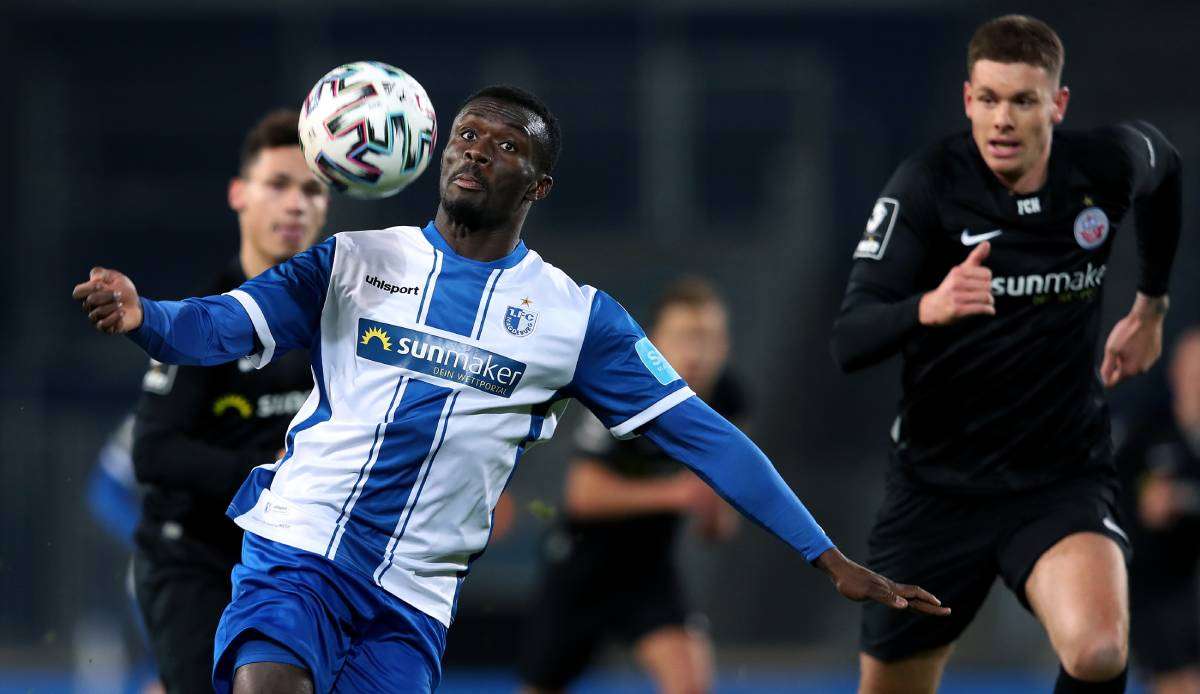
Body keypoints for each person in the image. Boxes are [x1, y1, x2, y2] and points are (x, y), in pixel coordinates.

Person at [75, 84, 947, 694]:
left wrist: (825, 555)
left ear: (538, 185)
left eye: (505, 146)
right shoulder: (354, 262)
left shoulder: (578, 320)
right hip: (296, 552)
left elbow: (706, 436)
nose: (477, 152)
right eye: (466, 135)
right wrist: (142, 312)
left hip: (408, 603)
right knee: (270, 683)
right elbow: (217, 326)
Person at [831, 14, 1181, 694]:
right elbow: (850, 338)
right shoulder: (926, 186)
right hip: (936, 490)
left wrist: (1152, 305)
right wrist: (926, 307)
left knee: (1099, 651)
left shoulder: (1101, 168)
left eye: (1023, 100)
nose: (1002, 119)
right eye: (988, 99)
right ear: (967, 100)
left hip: (1058, 480)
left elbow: (1164, 164)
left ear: (1058, 103)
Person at [129, 109, 327, 694]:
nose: (296, 204)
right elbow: (154, 451)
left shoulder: (342, 322)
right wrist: (274, 480)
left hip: (290, 563)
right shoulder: (206, 321)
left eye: (312, 189)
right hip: (193, 557)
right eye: (279, 184)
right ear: (240, 194)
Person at [519, 277, 741, 694]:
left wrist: (715, 515)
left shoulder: (726, 398)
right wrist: (676, 493)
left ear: (725, 345)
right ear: (656, 342)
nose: (697, 352)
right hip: (583, 565)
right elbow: (581, 495)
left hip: (649, 566)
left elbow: (716, 518)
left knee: (690, 684)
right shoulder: (625, 388)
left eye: (708, 337)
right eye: (685, 337)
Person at [1114, 329, 1200, 694]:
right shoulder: (1147, 433)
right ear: (1176, 373)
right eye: (1194, 372)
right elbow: (1117, 503)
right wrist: (1144, 508)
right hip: (1159, 591)